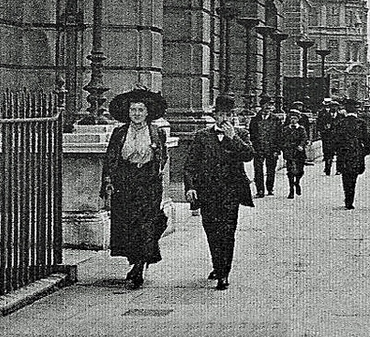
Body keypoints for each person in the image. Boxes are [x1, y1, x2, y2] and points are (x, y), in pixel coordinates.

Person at [183, 96, 255, 290]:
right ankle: (217, 264)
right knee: (212, 232)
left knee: (228, 232)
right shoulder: (202, 136)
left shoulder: (241, 134)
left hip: (231, 193)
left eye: (227, 115)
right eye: (220, 114)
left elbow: (249, 155)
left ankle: (224, 273)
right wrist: (190, 187)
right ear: (214, 115)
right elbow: (190, 165)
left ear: (232, 116)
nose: (223, 118)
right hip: (208, 193)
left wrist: (233, 138)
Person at [101, 88, 169, 290]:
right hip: (126, 182)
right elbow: (111, 158)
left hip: (148, 183)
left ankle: (140, 266)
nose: (137, 114)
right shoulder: (120, 133)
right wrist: (108, 181)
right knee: (128, 225)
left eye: (141, 110)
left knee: (146, 225)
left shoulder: (157, 132)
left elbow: (163, 157)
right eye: (133, 110)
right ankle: (135, 261)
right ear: (128, 113)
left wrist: (156, 165)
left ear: (147, 113)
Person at [331, 99, 370, 209]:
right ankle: (350, 199)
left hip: (343, 153)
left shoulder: (340, 123)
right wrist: (365, 151)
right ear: (356, 110)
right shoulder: (361, 123)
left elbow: (334, 139)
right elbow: (367, 139)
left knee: (345, 176)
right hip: (356, 152)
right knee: (353, 176)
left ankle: (347, 199)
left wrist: (337, 151)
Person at [248, 98, 281, 198]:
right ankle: (260, 190)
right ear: (262, 106)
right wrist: (254, 147)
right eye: (266, 106)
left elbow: (279, 136)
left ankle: (270, 188)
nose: (268, 108)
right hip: (259, 148)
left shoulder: (276, 119)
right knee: (258, 170)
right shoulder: (254, 120)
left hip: (272, 148)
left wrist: (277, 150)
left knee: (271, 170)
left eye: (270, 106)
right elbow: (252, 135)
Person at [281, 105, 311, 198]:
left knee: (300, 171)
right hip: (289, 151)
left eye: (295, 118)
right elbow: (283, 139)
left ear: (298, 119)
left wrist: (301, 146)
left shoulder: (301, 129)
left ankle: (297, 182)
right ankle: (291, 190)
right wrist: (285, 147)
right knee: (290, 171)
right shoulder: (286, 129)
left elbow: (304, 138)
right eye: (291, 118)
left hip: (299, 152)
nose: (293, 120)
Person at [316, 100, 339, 176]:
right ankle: (327, 168)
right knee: (327, 153)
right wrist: (323, 130)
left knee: (339, 154)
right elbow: (320, 124)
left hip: (338, 137)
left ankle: (338, 169)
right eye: (333, 106)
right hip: (327, 137)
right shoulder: (325, 116)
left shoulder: (341, 116)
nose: (334, 108)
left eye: (336, 106)